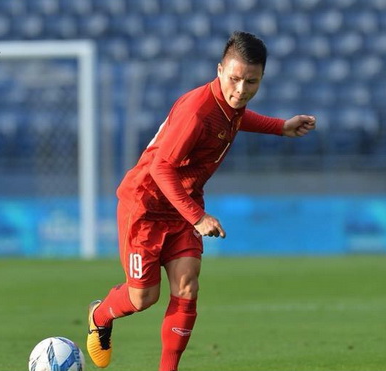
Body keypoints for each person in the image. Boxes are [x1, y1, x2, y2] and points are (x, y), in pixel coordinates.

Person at [85, 31, 317, 371]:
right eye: (235, 79)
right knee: (143, 298)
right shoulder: (197, 110)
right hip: (146, 207)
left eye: (251, 82)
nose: (241, 90)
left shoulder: (229, 104)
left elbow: (237, 119)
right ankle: (100, 314)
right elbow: (162, 168)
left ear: (261, 78)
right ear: (219, 70)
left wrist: (281, 126)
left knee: (187, 286)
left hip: (181, 206)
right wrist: (197, 217)